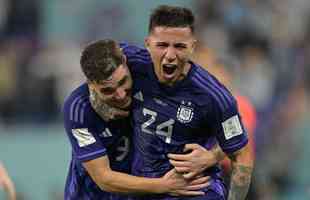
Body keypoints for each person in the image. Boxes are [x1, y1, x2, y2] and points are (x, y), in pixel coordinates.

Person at [120, 5, 253, 200]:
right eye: (162, 45)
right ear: (147, 43)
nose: (170, 55)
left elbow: (242, 152)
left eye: (179, 46)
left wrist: (211, 157)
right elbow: (95, 64)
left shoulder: (214, 96)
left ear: (192, 47)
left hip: (195, 191)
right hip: (145, 190)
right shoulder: (128, 60)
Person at [63, 39, 211, 200]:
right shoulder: (78, 110)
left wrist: (211, 156)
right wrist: (165, 185)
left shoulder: (147, 71)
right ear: (91, 85)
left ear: (126, 64)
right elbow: (104, 178)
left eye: (122, 82)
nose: (120, 95)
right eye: (107, 90)